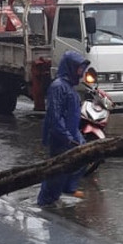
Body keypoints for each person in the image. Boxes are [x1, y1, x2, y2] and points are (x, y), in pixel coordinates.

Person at [37, 50, 89, 207]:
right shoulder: (59, 87)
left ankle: (67, 188)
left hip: (71, 134)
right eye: (79, 68)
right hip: (60, 138)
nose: (81, 72)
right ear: (70, 67)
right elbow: (55, 115)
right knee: (57, 171)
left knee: (83, 158)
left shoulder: (69, 87)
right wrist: (66, 136)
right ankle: (46, 201)